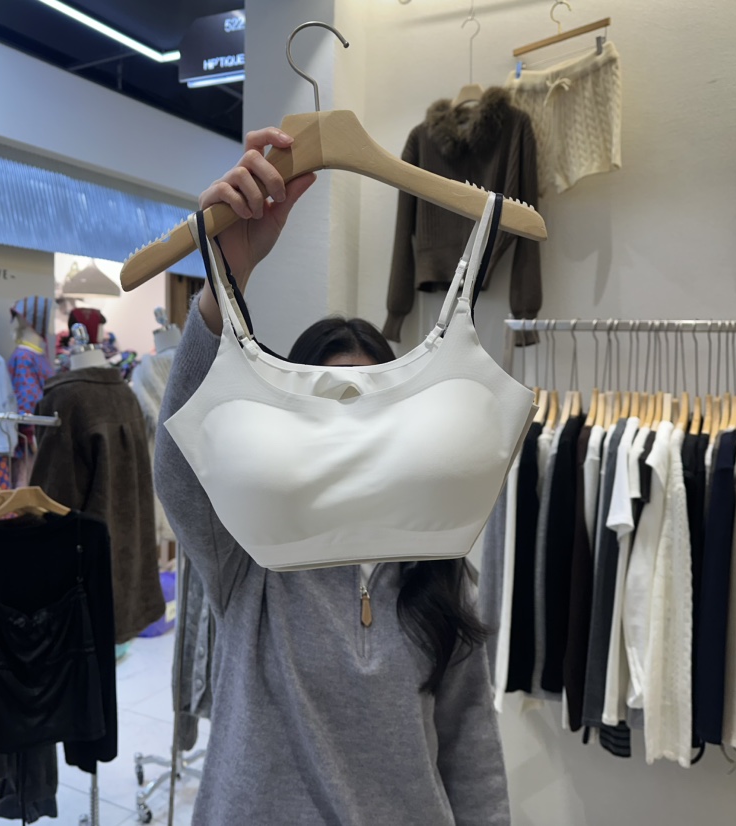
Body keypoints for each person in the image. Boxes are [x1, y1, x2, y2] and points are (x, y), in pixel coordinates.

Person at [155, 127, 512, 825]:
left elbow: (472, 751)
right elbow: (182, 468)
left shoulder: (438, 569)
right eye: (327, 408)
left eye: (367, 407)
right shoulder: (252, 558)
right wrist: (227, 279)